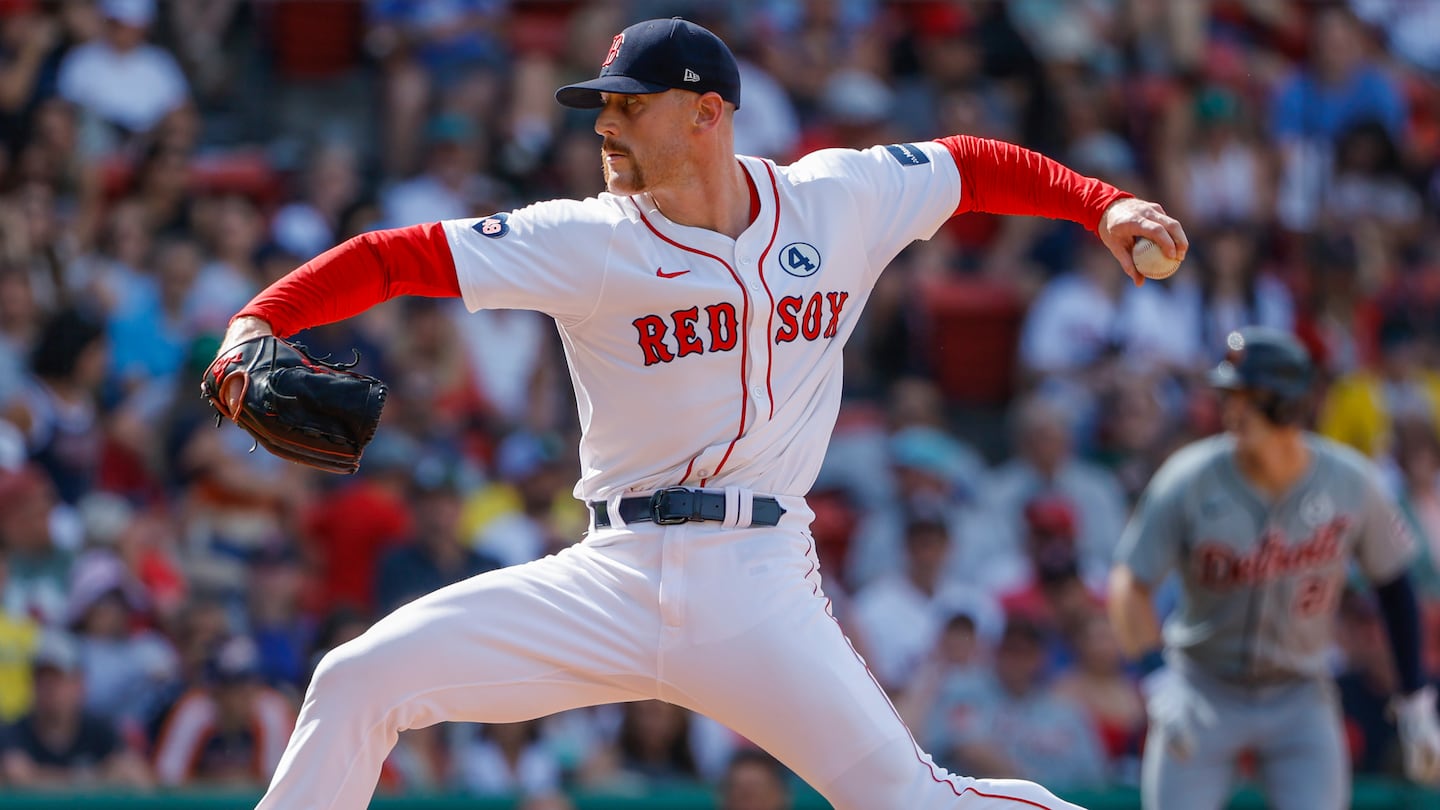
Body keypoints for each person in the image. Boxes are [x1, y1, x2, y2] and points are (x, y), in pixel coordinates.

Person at [213, 17, 1186, 809]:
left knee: (910, 803)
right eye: (602, 108)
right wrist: (259, 322)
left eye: (630, 107)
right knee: (355, 682)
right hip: (609, 577)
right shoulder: (586, 239)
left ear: (708, 114)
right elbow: (395, 256)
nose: (606, 127)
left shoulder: (834, 198)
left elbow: (968, 164)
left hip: (759, 583)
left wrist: (1102, 206)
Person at [1107, 326, 1440, 810]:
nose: (1231, 408)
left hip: (1299, 693)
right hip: (1203, 686)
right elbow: (1127, 585)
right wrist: (1158, 678)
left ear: (1289, 402)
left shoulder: (1350, 481)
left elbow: (1394, 585)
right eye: (1229, 395)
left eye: (1247, 395)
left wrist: (1414, 700)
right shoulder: (1190, 476)